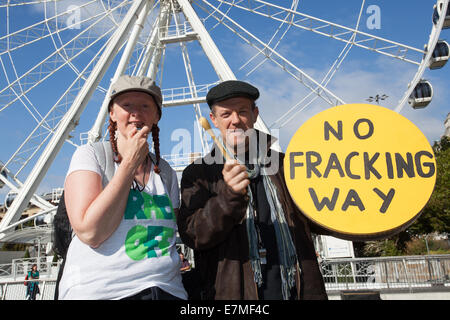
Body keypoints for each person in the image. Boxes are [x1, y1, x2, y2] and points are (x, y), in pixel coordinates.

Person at [177, 80, 328, 300]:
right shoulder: (199, 173)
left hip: (297, 289)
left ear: (255, 114)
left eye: (242, 111)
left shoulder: (287, 166)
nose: (235, 120)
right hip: (233, 293)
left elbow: (321, 214)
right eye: (226, 114)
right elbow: (193, 235)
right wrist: (228, 197)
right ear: (213, 120)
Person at [58, 75, 187, 300]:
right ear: (112, 113)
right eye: (126, 105)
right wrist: (129, 164)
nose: (136, 112)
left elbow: (169, 236)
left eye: (145, 106)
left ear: (156, 116)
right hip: (103, 291)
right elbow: (91, 233)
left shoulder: (164, 171)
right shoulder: (91, 156)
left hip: (168, 290)